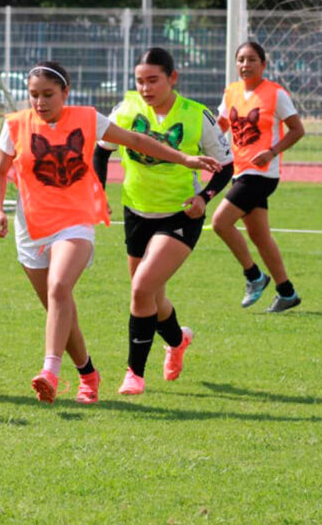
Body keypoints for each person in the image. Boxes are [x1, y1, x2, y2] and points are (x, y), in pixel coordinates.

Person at [0, 61, 221, 405]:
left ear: (65, 93)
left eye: (48, 94)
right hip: (30, 229)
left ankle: (50, 371)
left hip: (75, 222)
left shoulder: (87, 119)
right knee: (59, 307)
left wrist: (184, 159)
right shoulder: (14, 126)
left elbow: (135, 139)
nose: (40, 102)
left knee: (59, 287)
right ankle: (88, 374)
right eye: (34, 95)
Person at [93, 48, 234, 396]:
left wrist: (204, 198)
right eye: (140, 81)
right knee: (151, 296)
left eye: (153, 80)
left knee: (141, 288)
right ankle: (177, 339)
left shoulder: (195, 115)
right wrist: (97, 192)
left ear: (173, 78)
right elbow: (100, 150)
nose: (145, 88)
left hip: (180, 215)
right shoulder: (125, 110)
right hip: (136, 212)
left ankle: (134, 374)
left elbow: (226, 165)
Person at [212, 41, 306, 313]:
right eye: (240, 59)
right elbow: (220, 125)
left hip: (262, 173)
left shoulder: (276, 94)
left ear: (263, 64)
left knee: (220, 222)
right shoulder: (231, 92)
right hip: (240, 171)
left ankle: (254, 276)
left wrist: (272, 152)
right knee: (259, 235)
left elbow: (297, 130)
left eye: (251, 59)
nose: (245, 64)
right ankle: (286, 292)